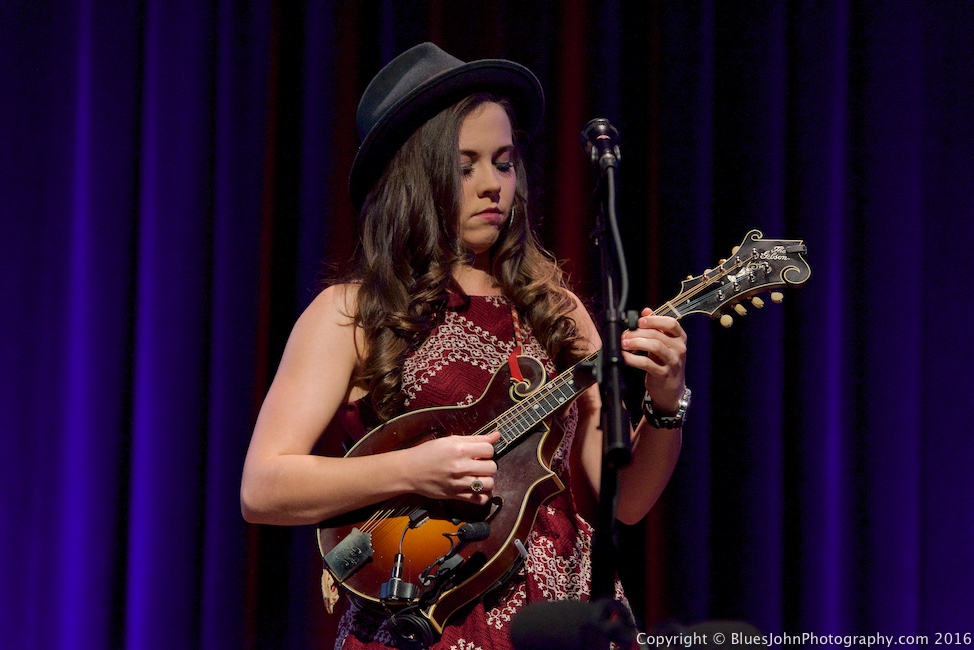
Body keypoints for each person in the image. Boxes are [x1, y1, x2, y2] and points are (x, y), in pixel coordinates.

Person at [240, 42, 689, 650]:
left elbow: (627, 502)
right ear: (414, 177)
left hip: (554, 621)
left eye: (504, 163)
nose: (492, 187)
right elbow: (263, 487)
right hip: (421, 620)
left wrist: (665, 402)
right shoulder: (350, 312)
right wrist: (411, 469)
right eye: (465, 166)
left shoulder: (558, 312)